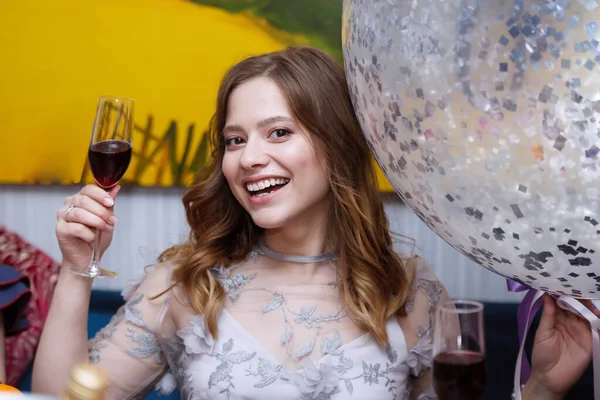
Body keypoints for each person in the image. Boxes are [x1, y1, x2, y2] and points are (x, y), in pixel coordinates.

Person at [32, 46, 596, 400]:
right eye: (235, 139)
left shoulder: (412, 291)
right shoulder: (186, 283)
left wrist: (543, 387)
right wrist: (77, 269)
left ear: (335, 145)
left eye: (279, 132)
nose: (249, 157)